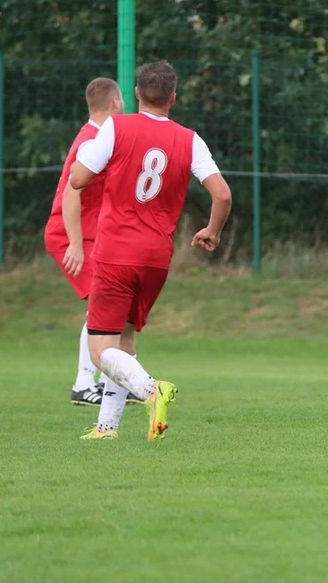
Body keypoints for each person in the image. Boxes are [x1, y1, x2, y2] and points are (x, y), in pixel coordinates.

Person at [66, 60, 232, 440]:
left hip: (115, 252)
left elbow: (77, 179)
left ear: (138, 93)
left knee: (98, 351)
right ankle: (107, 427)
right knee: (123, 340)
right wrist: (212, 231)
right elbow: (222, 194)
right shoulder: (190, 139)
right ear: (173, 98)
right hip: (156, 256)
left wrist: (90, 155)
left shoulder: (115, 127)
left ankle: (150, 390)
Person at [44, 78, 124, 405]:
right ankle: (84, 384)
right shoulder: (91, 141)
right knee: (102, 307)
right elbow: (71, 194)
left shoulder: (98, 135)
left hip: (88, 234)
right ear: (116, 102)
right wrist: (74, 243)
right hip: (70, 233)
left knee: (108, 307)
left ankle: (106, 384)